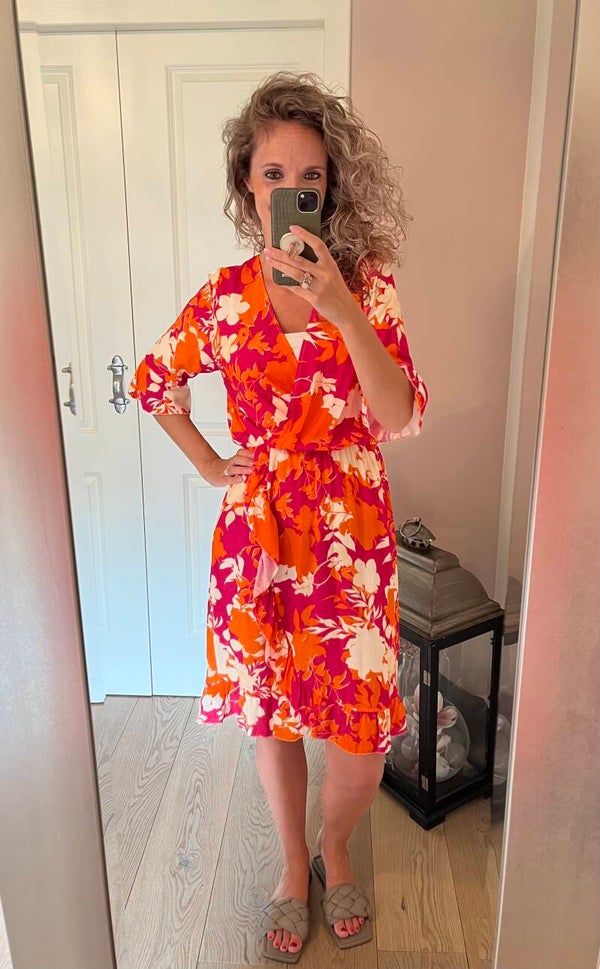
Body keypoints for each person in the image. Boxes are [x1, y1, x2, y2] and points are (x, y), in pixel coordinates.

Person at [129, 71, 428, 963]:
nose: (291, 188)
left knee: (360, 739)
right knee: (276, 715)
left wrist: (341, 309)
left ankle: (336, 843)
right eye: (272, 174)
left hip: (352, 540)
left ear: (329, 188)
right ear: (247, 186)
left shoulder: (367, 288)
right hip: (260, 537)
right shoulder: (224, 298)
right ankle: (295, 865)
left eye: (309, 175)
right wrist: (209, 461)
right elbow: (155, 381)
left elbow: (401, 413)